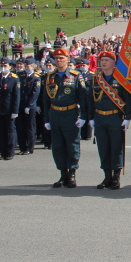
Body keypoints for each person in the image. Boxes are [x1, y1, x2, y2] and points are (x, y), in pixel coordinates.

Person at [86, 51, 131, 190]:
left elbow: (128, 99)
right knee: (103, 148)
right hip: (100, 117)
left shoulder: (121, 79)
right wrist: (91, 117)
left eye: (107, 60)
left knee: (116, 147)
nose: (104, 62)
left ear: (114, 63)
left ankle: (116, 177)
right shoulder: (96, 79)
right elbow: (90, 100)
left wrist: (128, 117)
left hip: (115, 117)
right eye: (102, 60)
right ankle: (107, 176)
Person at [43, 48, 88, 188]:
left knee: (72, 144)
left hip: (70, 114)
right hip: (55, 114)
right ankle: (63, 173)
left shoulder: (76, 75)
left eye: (61, 58)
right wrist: (46, 119)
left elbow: (83, 97)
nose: (58, 60)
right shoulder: (50, 76)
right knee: (57, 146)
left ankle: (72, 173)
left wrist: (84, 116)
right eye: (56, 58)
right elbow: (45, 100)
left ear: (68, 59)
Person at [0, 59, 20, 161]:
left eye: (5, 65)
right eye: (1, 65)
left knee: (10, 131)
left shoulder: (14, 79)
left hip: (9, 109)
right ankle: (3, 152)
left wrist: (15, 111)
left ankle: (10, 152)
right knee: (1, 132)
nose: (3, 67)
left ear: (10, 67)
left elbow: (16, 96)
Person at [16, 58, 40, 155]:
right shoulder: (21, 76)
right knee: (20, 127)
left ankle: (30, 147)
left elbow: (35, 93)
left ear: (33, 66)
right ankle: (23, 147)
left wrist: (29, 105)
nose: (26, 68)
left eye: (28, 66)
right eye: (25, 66)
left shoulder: (36, 77)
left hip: (30, 106)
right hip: (21, 105)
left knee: (30, 127)